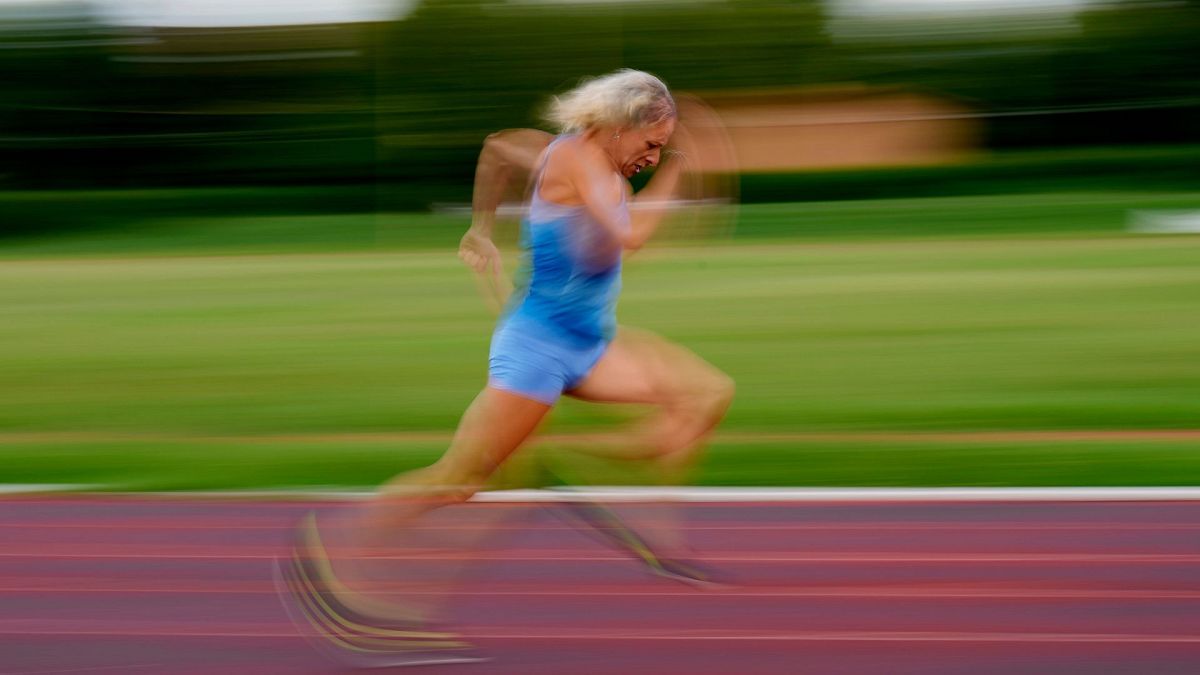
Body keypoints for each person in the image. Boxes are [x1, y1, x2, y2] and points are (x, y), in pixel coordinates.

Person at [275, 69, 735, 668]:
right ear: (619, 128)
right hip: (538, 349)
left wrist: (481, 229)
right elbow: (631, 237)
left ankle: (648, 525)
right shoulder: (574, 159)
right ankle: (330, 552)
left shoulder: (568, 154)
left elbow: (496, 148)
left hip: (591, 345)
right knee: (460, 481)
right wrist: (680, 171)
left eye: (659, 150)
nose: (652, 158)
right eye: (649, 145)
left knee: (704, 395)